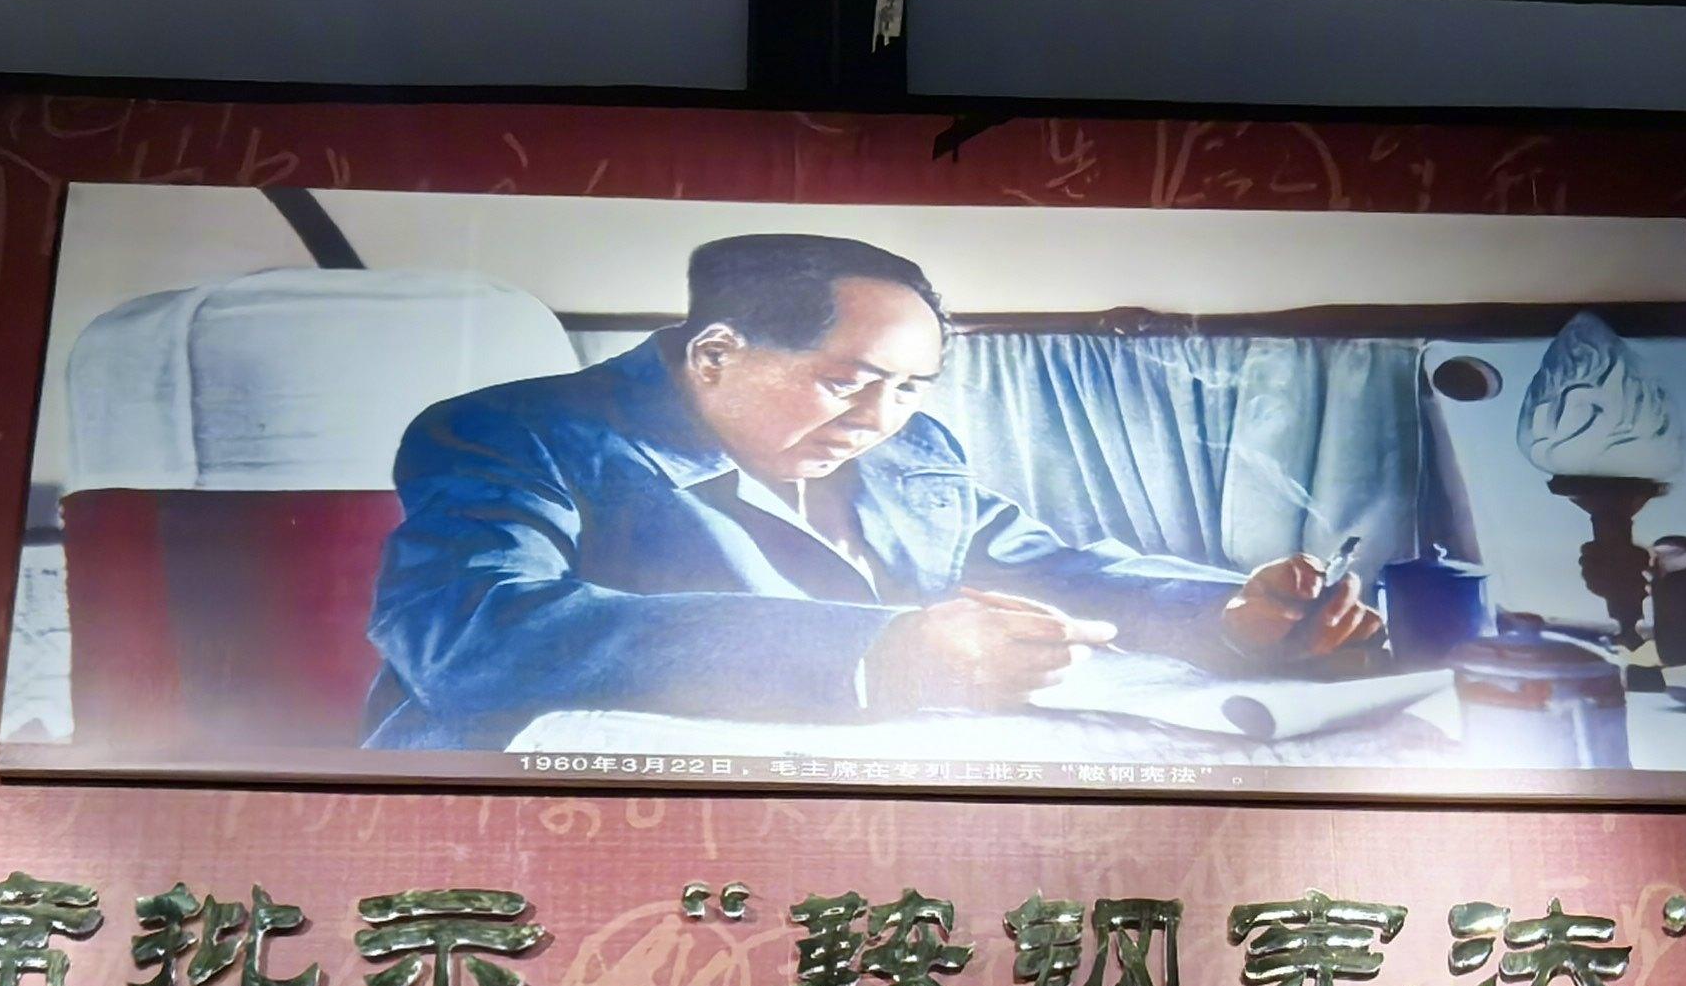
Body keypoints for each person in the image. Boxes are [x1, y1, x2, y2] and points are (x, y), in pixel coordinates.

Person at [362, 230, 1381, 750]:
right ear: (715, 354)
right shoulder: (513, 431)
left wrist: (1226, 614)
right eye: (849, 381)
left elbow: (1045, 569)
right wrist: (883, 653)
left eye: (910, 388)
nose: (881, 420)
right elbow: (472, 634)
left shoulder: (908, 450)